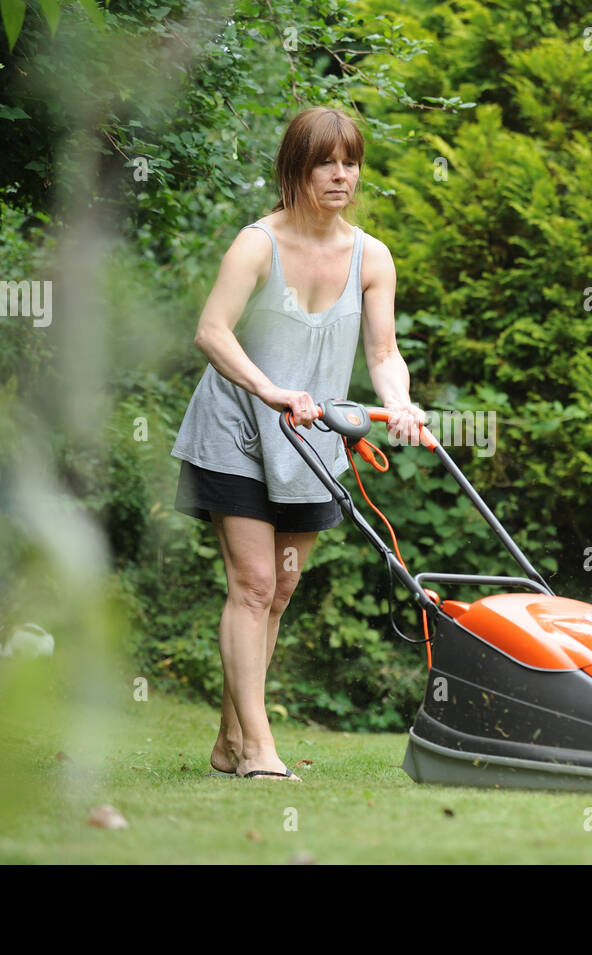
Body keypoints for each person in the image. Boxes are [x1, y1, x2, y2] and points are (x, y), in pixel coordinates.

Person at [170, 106, 427, 782]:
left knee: (280, 590)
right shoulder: (258, 244)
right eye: (326, 162)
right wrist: (269, 389)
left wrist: (397, 401)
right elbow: (212, 331)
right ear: (296, 168)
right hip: (238, 426)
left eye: (351, 161)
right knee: (252, 584)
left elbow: (383, 349)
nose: (341, 174)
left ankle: (230, 739)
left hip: (312, 440)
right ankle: (260, 747)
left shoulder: (371, 256)